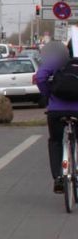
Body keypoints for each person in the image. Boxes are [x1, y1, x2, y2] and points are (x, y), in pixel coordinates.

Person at [35, 38, 78, 193]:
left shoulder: (58, 60)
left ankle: (58, 177)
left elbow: (40, 77)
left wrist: (49, 95)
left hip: (56, 110)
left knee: (55, 141)